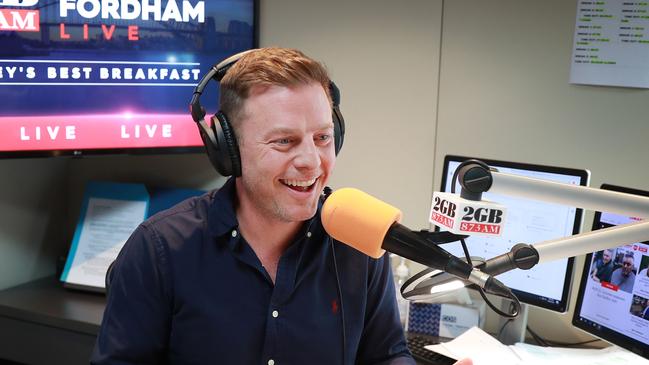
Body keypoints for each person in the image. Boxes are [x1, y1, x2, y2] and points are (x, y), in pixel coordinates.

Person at [90, 47, 471, 365]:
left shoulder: (359, 240)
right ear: (230, 150)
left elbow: (386, 355)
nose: (311, 161)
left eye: (322, 137)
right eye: (284, 142)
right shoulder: (158, 251)